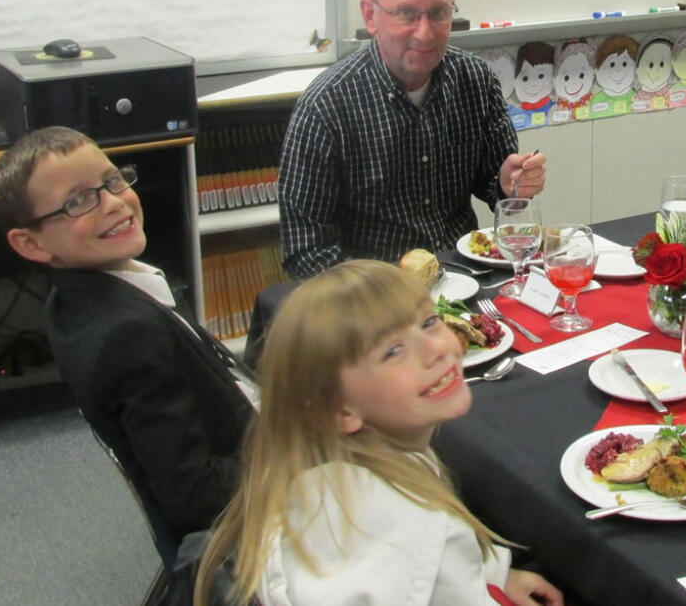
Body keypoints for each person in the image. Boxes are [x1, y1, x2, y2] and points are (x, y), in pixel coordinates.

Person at [193, 260, 564, 606]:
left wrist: (491, 573)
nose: (436, 348)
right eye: (393, 351)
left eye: (429, 321)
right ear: (339, 410)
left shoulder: (321, 470)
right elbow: (431, 559)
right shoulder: (413, 529)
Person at [0, 127, 255, 566]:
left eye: (112, 180)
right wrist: (297, 447)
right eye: (77, 201)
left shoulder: (75, 297)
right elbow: (195, 497)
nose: (114, 201)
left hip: (241, 426)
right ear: (30, 243)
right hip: (250, 510)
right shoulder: (126, 334)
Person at [279, 0, 547, 279]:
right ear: (370, 15)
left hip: (466, 278)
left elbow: (498, 191)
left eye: (439, 13)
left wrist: (511, 186)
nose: (425, 33)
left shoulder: (477, 81)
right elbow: (305, 251)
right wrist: (378, 299)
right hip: (376, 299)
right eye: (406, 14)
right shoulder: (326, 106)